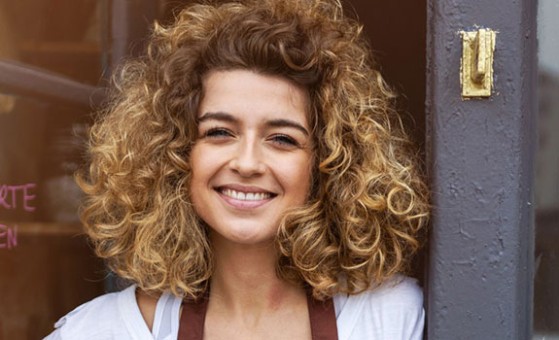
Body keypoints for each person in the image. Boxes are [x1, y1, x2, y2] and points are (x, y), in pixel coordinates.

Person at [45, 0, 429, 338]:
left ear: (327, 162)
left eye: (281, 138)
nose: (246, 163)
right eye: (219, 132)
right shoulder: (104, 331)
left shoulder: (392, 318)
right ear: (176, 153)